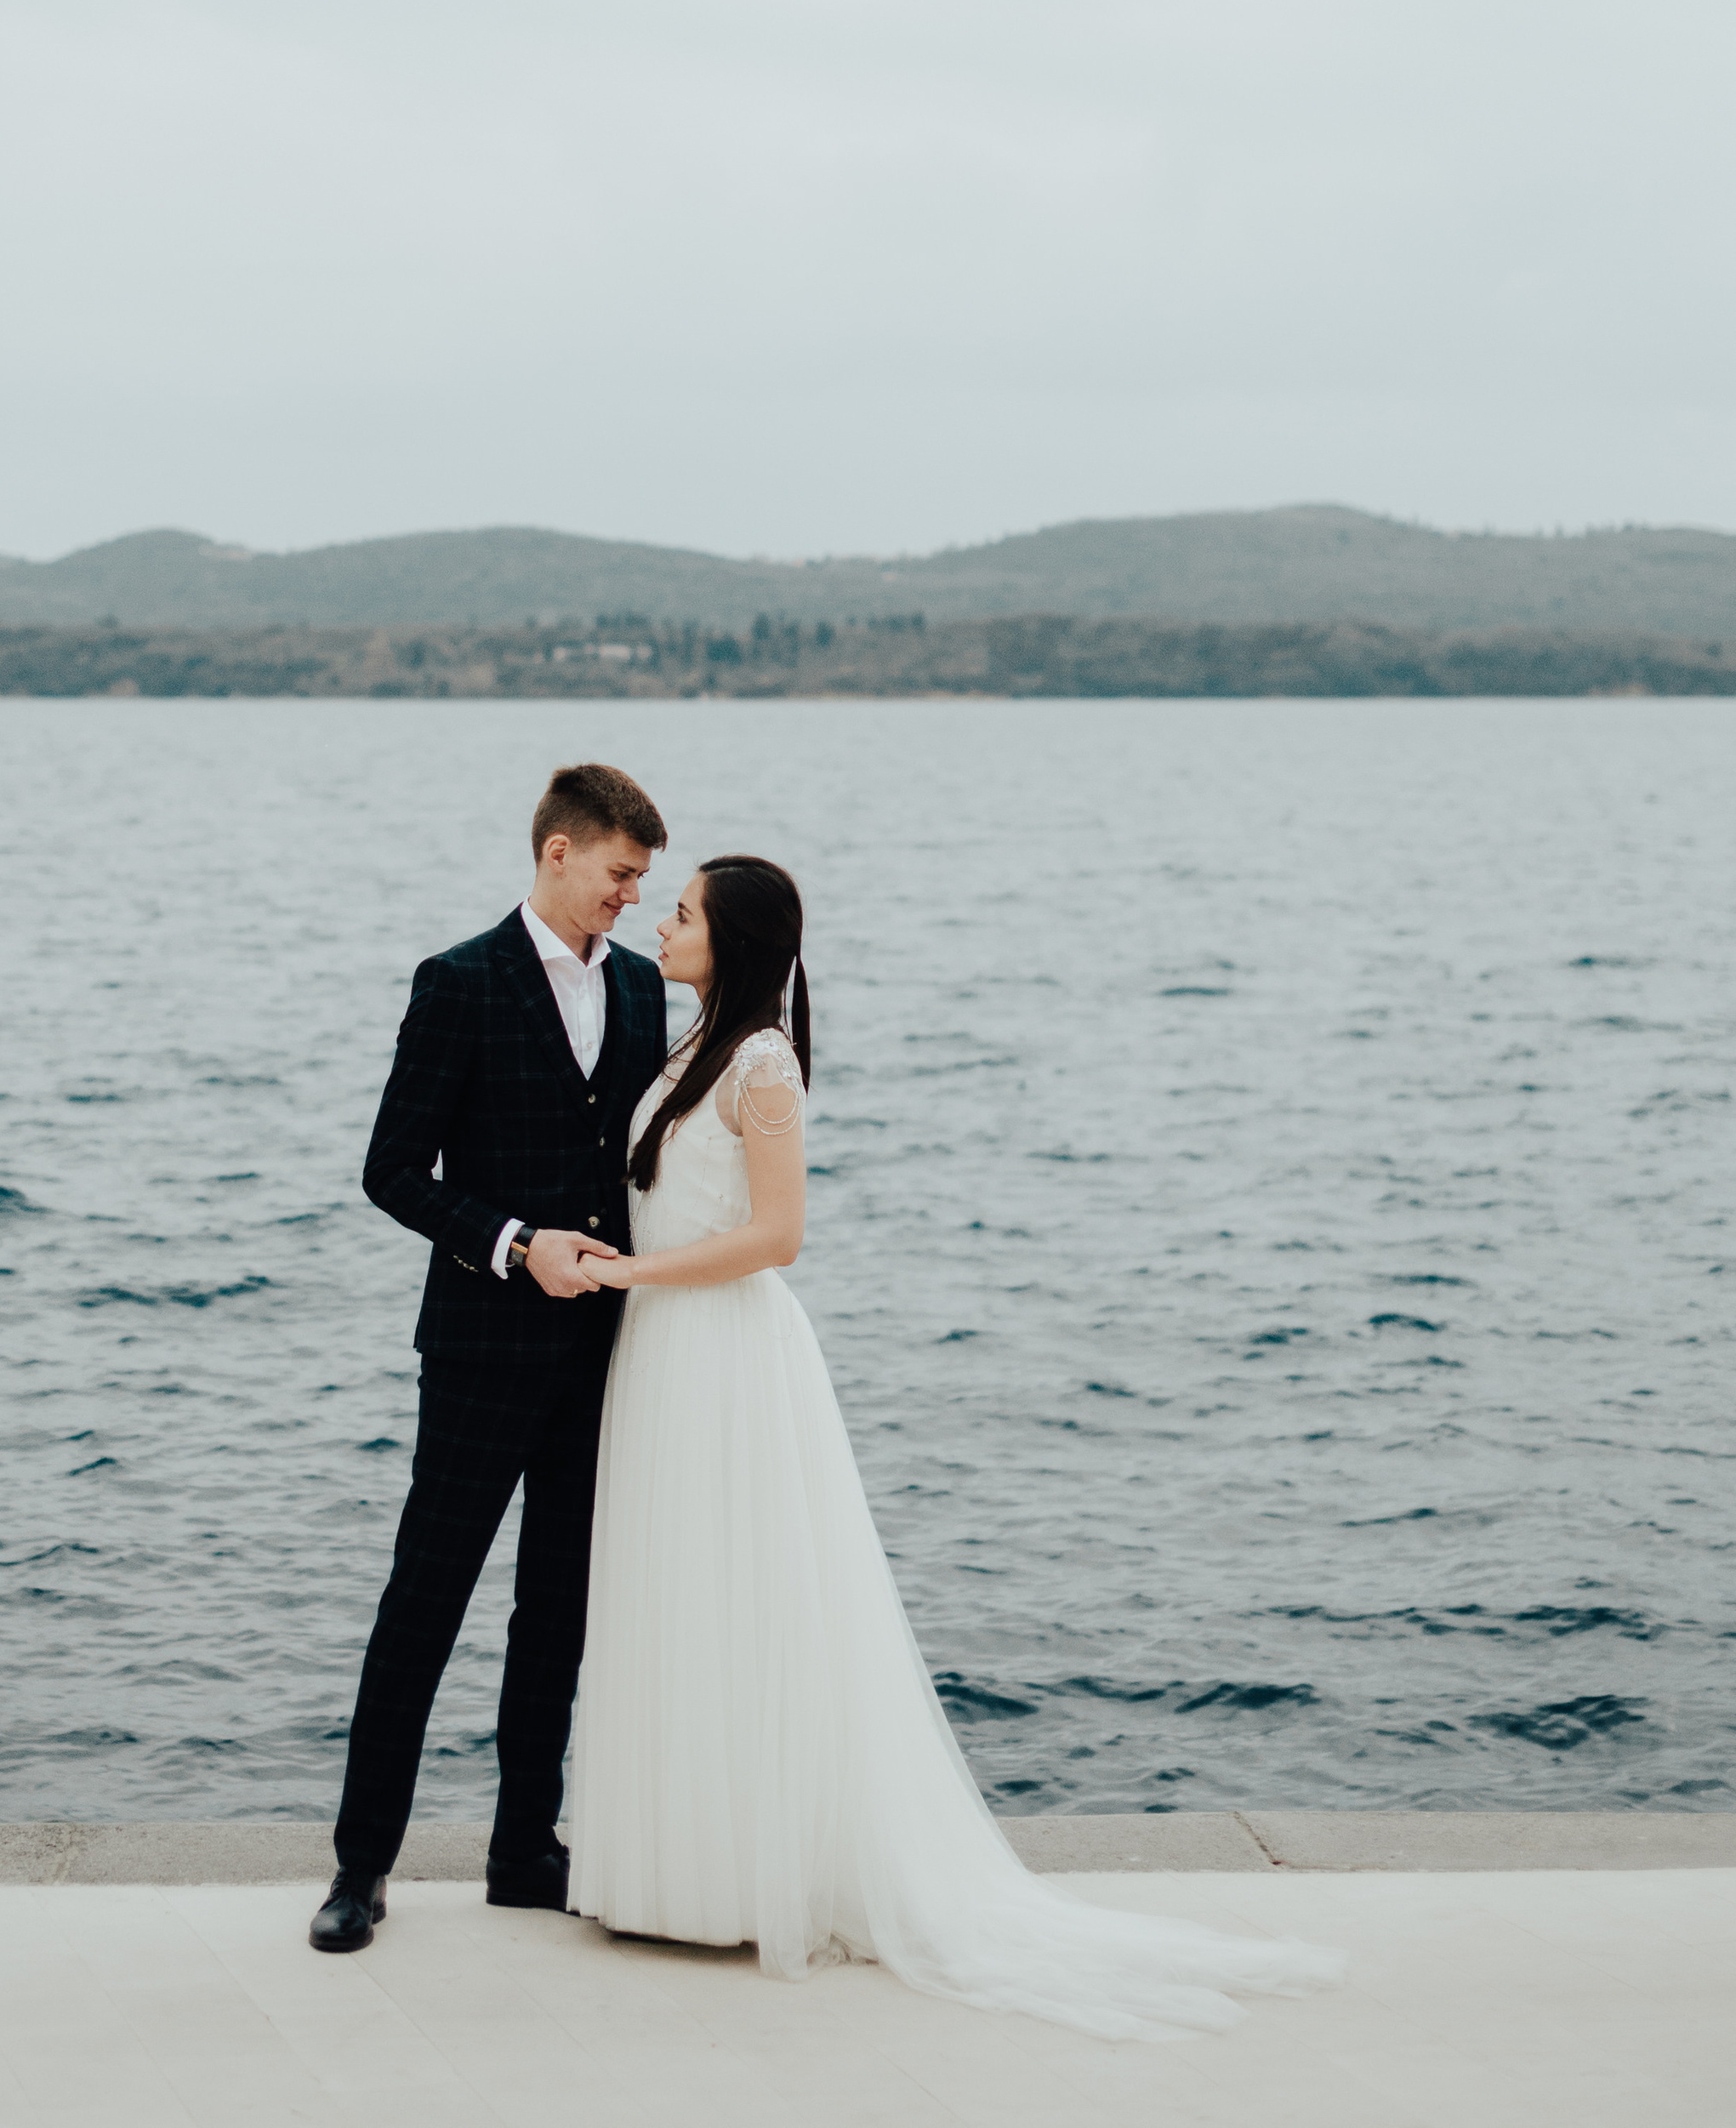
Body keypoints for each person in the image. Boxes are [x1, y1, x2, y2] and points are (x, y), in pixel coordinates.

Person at [568, 854, 1342, 2040]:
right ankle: (676, 1865)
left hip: (725, 1351)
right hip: (663, 1353)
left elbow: (779, 1236)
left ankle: (751, 1877)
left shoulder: (762, 1064)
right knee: (678, 1596)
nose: (662, 924)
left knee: (747, 1598)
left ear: (733, 939)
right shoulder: (686, 1049)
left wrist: (637, 1271)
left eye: (682, 913)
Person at [309, 760, 669, 1953]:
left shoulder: (639, 991)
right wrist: (516, 1246)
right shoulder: (457, 982)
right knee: (425, 1603)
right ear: (559, 852)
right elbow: (393, 1171)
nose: (631, 897)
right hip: (477, 1350)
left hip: (598, 1352)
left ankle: (525, 1850)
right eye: (621, 874)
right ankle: (361, 1870)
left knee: (553, 1610)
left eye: (644, 882)